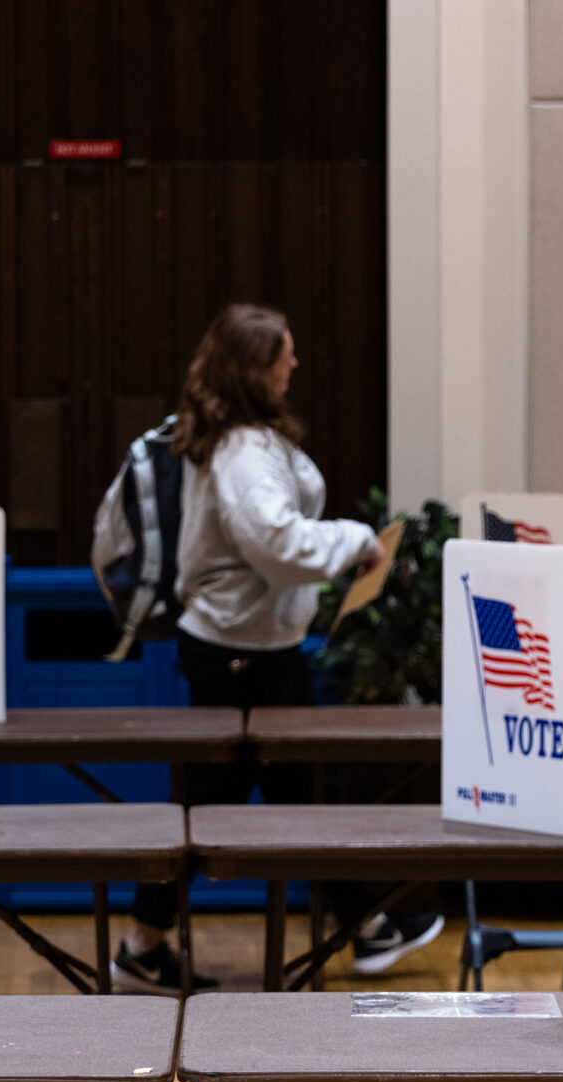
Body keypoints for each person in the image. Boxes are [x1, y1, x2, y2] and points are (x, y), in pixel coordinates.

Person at [112, 301, 444, 994]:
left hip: (248, 648)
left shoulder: (244, 440)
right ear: (253, 368)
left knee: (278, 796)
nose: (295, 362)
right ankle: (147, 946)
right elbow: (279, 545)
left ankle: (363, 927)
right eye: (282, 353)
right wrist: (355, 539)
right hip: (242, 655)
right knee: (238, 802)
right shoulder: (242, 454)